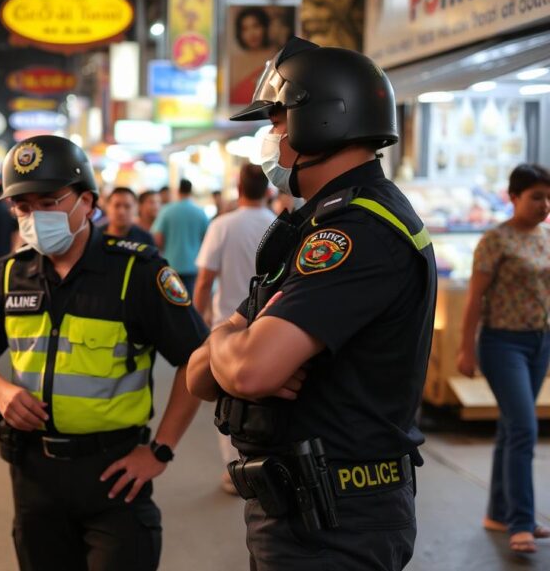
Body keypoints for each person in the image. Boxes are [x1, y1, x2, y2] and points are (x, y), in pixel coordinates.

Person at [185, 37, 437, 570]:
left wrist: (231, 341)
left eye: (276, 122)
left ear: (317, 120)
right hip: (301, 509)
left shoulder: (357, 233)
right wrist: (230, 341)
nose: (270, 137)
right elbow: (199, 377)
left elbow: (250, 371)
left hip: (336, 520)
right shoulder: (315, 224)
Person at [0, 135, 208, 571]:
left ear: (86, 201)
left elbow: (197, 360)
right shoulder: (13, 274)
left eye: (48, 202)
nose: (34, 217)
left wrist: (161, 451)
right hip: (32, 474)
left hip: (115, 476)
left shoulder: (138, 272)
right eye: (22, 207)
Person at [456, 163, 550, 554]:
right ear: (513, 197)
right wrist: (465, 347)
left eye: (548, 197)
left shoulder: (546, 238)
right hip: (502, 344)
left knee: (512, 429)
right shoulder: (495, 241)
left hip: (539, 342)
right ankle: (521, 523)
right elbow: (475, 298)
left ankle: (498, 511)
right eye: (536, 197)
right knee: (525, 429)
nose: (544, 205)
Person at [192, 165, 275, 495]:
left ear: (238, 187)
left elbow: (204, 281)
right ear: (267, 189)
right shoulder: (277, 224)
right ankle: (267, 463)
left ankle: (236, 471)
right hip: (273, 328)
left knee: (228, 402)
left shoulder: (223, 225)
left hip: (229, 328)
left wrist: (199, 322)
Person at [152, 179, 210, 294]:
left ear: (178, 191)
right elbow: (207, 240)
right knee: (189, 301)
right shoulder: (200, 212)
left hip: (170, 265)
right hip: (194, 265)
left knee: (172, 302)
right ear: (191, 191)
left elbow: (157, 238)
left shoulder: (166, 211)